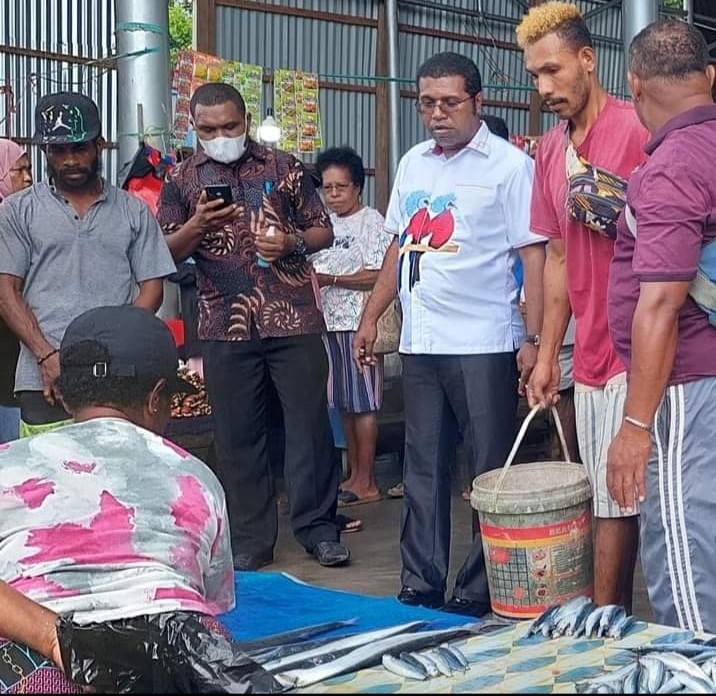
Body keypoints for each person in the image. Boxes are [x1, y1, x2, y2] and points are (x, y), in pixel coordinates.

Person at [354, 52, 546, 616]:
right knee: (423, 468)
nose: (437, 113)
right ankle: (421, 581)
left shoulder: (509, 167)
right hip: (422, 342)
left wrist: (532, 339)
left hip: (484, 341)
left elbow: (534, 256)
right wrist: (371, 317)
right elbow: (399, 245)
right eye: (427, 103)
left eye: (449, 102)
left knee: (489, 472)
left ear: (477, 102)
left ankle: (480, 586)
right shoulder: (414, 162)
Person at [157, 82, 350, 570]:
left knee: (308, 427)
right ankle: (250, 539)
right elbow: (162, 252)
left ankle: (319, 529)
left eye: (230, 126)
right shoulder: (181, 179)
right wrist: (198, 224)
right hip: (224, 324)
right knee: (237, 434)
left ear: (246, 120)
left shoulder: (284, 166)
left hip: (293, 318)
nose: (221, 136)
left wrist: (289, 242)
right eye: (209, 129)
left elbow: (322, 228)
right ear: (194, 128)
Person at [0, 304, 235, 692]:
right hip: (166, 652)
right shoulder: (196, 477)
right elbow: (209, 598)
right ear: (156, 398)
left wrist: (55, 639)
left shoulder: (8, 464)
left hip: (39, 653)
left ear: (63, 396)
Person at [518, 1, 648, 611]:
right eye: (535, 76)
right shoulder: (548, 152)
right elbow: (560, 260)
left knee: (627, 501)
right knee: (607, 495)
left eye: (554, 70)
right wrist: (549, 357)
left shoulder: (638, 129)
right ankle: (612, 618)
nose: (544, 87)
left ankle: (609, 618)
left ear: (589, 61)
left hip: (647, 345)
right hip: (591, 351)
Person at [607, 20, 716, 632]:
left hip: (685, 387)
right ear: (710, 77)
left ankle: (695, 668)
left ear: (635, 84)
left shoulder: (673, 165)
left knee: (684, 549)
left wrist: (635, 427)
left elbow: (659, 306)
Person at [0, 92, 176, 437]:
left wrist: (109, 353)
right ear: (45, 152)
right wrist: (47, 357)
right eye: (58, 151)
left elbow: (152, 289)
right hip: (43, 379)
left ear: (100, 144)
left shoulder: (133, 211)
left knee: (116, 479)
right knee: (52, 484)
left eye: (79, 148)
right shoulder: (17, 212)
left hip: (119, 377)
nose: (69, 160)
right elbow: (7, 292)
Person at [312, 146, 392, 508]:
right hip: (328, 324)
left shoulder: (372, 221)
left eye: (340, 187)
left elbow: (379, 274)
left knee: (364, 404)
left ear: (357, 187)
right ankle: (354, 476)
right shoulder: (320, 223)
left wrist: (331, 279)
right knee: (342, 403)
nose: (333, 195)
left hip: (360, 324)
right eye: (327, 188)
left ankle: (368, 479)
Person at [0, 139, 33, 444]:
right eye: (18, 170)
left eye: (29, 169)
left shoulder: (26, 221)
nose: (28, 178)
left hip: (15, 358)